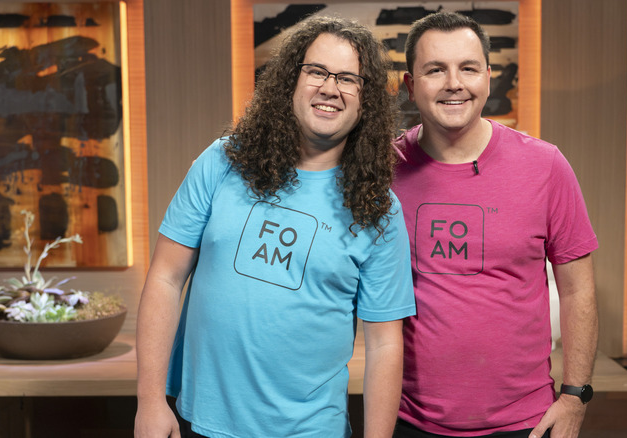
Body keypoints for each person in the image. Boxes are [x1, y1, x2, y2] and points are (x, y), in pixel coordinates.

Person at [134, 16, 416, 438]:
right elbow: (165, 277)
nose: (329, 88)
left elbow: (384, 344)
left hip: (311, 429)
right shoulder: (223, 161)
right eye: (316, 71)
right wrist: (151, 402)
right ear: (290, 80)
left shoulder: (379, 209)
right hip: (201, 420)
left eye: (347, 79)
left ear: (366, 100)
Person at [391, 11, 599, 438]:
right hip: (410, 419)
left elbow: (578, 289)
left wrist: (575, 397)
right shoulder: (383, 170)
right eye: (435, 70)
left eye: (468, 68)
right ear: (411, 86)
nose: (455, 83)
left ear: (488, 76)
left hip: (525, 423)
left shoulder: (545, 165)